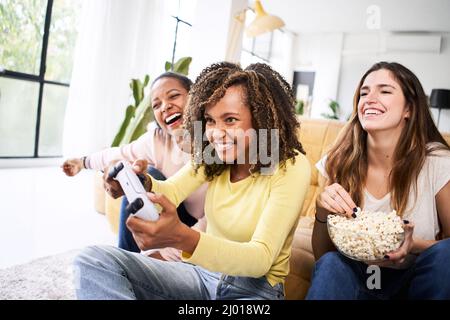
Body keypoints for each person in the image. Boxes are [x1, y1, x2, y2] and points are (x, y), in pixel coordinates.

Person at [73, 62, 311, 300]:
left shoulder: (289, 165)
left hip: (254, 292)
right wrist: (139, 182)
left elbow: (261, 258)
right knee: (93, 261)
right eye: (210, 120)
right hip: (201, 275)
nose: (217, 133)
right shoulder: (213, 156)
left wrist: (182, 237)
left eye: (230, 120)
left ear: (261, 119)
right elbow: (172, 190)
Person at [306, 61, 450, 300]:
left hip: (416, 279)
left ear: (409, 109)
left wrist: (411, 244)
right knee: (332, 263)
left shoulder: (438, 162)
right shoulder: (338, 160)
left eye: (384, 91)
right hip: (356, 277)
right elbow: (323, 255)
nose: (369, 98)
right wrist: (322, 211)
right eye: (364, 92)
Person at [62, 72, 207, 261]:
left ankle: (137, 266)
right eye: (156, 104)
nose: (165, 106)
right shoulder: (157, 139)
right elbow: (116, 154)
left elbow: (217, 215)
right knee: (135, 174)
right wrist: (82, 162)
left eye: (173, 96)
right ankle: (126, 259)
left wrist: (172, 252)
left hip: (205, 226)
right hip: (175, 210)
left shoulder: (218, 139)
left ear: (195, 96)